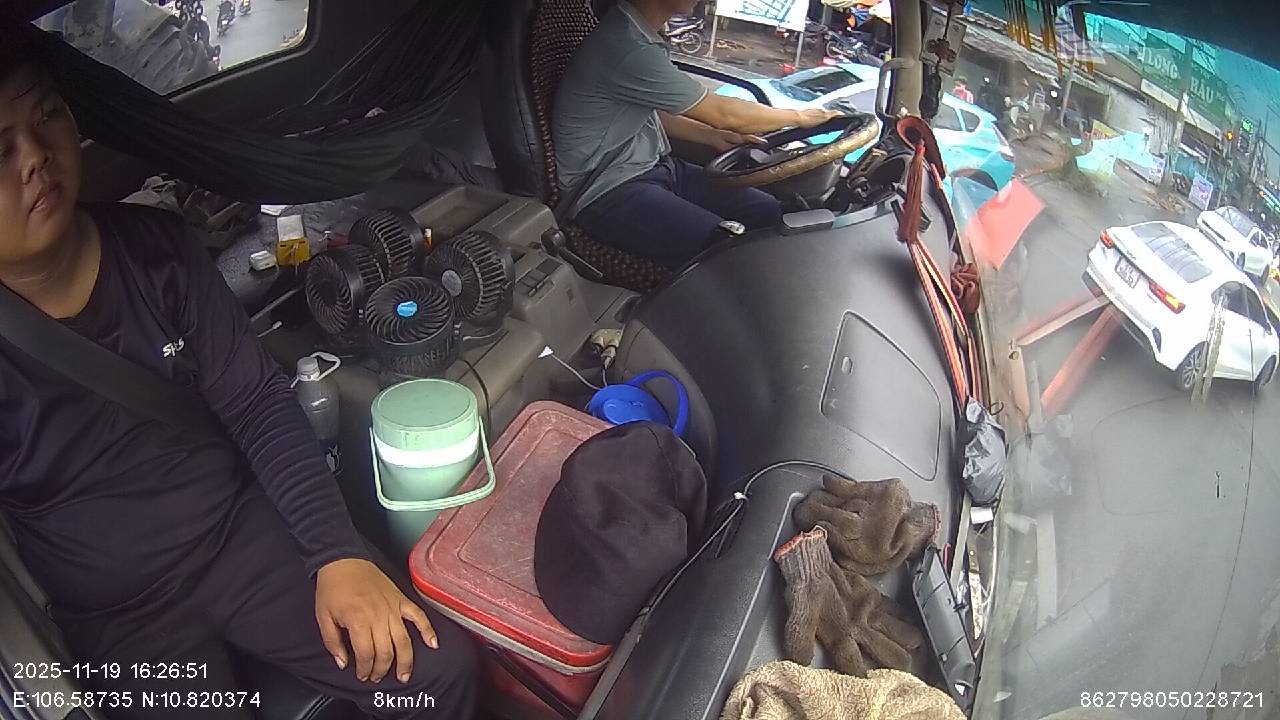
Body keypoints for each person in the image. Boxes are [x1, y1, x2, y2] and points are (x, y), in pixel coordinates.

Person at [0, 35, 476, 719]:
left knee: (436, 673)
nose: (35, 157)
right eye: (0, 148)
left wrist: (336, 554)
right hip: (121, 616)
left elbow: (257, 402)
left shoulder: (156, 250)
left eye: (46, 115)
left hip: (243, 536)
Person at [554, 0, 841, 270]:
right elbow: (726, 115)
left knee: (772, 214)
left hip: (654, 168)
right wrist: (799, 117)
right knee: (729, 255)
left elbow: (650, 111)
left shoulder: (640, 36)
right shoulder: (627, 47)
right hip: (606, 191)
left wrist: (710, 136)